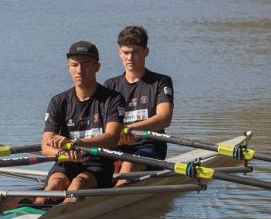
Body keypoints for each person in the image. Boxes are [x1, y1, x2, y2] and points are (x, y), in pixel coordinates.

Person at [35, 40, 125, 202]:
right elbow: (45, 146)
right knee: (55, 185)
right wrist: (63, 153)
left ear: (97, 67)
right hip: (66, 161)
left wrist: (74, 144)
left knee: (78, 183)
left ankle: (61, 212)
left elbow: (112, 139)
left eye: (86, 64)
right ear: (68, 67)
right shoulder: (58, 101)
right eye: (74, 65)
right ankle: (37, 209)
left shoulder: (113, 99)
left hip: (98, 163)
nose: (79, 70)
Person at [103, 25, 174, 184]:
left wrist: (130, 129)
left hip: (149, 147)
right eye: (126, 52)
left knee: (129, 164)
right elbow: (103, 124)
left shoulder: (160, 82)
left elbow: (164, 118)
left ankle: (115, 195)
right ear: (119, 53)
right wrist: (118, 138)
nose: (130, 58)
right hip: (117, 147)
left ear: (146, 52)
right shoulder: (110, 85)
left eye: (135, 52)